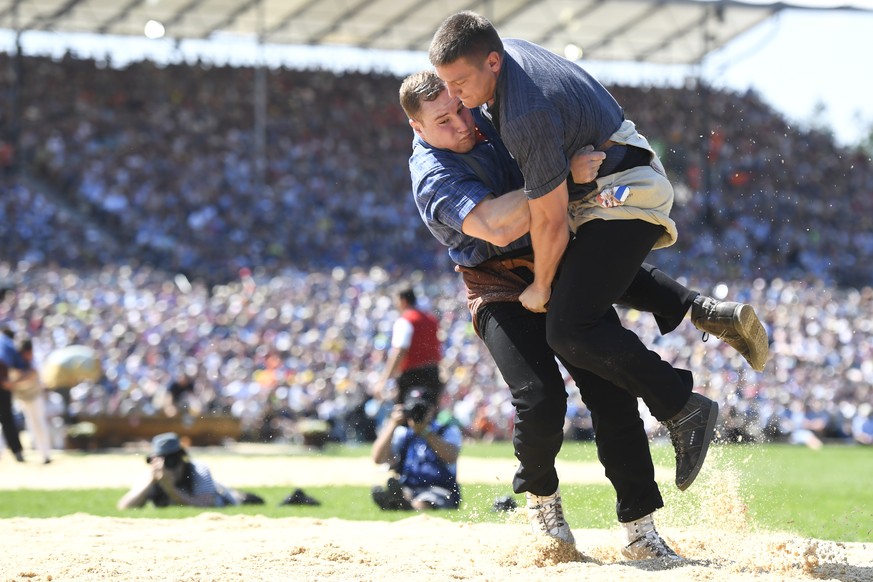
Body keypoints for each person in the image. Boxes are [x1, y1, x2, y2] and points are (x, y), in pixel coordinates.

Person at [398, 69, 768, 559]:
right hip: (500, 286)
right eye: (444, 120)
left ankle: (640, 528)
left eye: (461, 108)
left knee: (612, 395)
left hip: (556, 255)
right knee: (540, 397)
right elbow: (495, 224)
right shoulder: (432, 175)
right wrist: (562, 176)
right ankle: (543, 502)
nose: (463, 123)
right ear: (418, 130)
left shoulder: (488, 116)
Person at [370, 388, 462, 511]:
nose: (417, 413)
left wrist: (425, 432)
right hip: (409, 487)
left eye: (422, 409)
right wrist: (392, 424)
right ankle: (401, 500)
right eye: (413, 409)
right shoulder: (403, 433)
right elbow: (378, 458)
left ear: (432, 409)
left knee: (424, 501)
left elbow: (451, 457)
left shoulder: (446, 431)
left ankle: (402, 504)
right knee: (406, 493)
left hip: (439, 488)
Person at [117, 432, 264, 509]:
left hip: (225, 498)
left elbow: (207, 504)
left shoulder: (198, 471)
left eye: (169, 461)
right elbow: (124, 506)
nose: (166, 467)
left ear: (180, 459)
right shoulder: (152, 475)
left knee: (248, 500)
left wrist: (170, 488)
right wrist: (152, 481)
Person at [375, 287, 444, 405]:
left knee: (406, 415)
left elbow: (400, 351)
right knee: (428, 415)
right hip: (433, 373)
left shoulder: (405, 321)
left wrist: (384, 380)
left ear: (403, 301)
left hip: (412, 376)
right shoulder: (431, 319)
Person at [8, 338, 53, 464]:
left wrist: (14, 381)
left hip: (35, 396)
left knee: (39, 423)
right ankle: (39, 451)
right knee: (31, 425)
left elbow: (32, 375)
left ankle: (46, 454)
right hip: (23, 397)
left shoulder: (35, 359)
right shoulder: (17, 360)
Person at [0, 326, 26, 463]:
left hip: (3, 383)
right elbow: (21, 366)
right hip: (3, 384)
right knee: (7, 418)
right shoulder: (8, 342)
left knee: (7, 418)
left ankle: (17, 452)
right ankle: (17, 451)